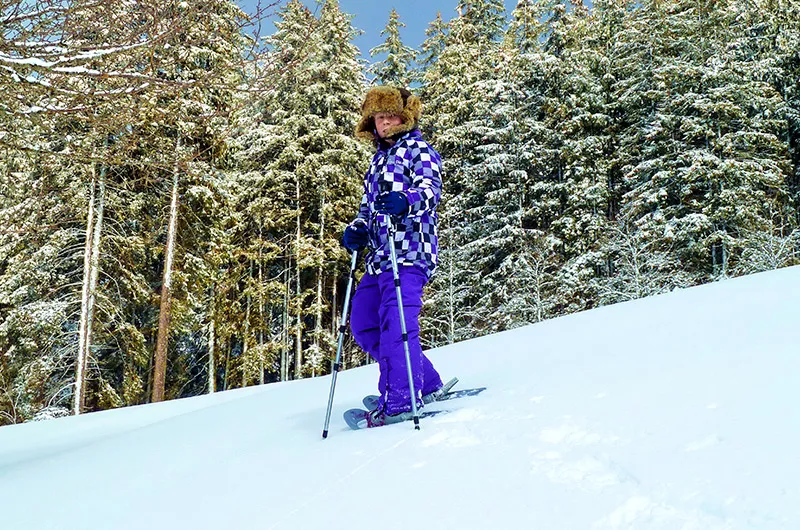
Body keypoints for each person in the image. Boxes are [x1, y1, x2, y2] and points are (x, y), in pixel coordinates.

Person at [342, 86, 451, 427]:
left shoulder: (418, 149)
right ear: (371, 121)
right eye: (379, 116)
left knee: (397, 326)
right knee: (363, 323)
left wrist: (407, 200)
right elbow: (367, 208)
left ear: (405, 118)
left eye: (392, 116)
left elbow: (431, 189)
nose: (385, 122)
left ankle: (402, 400)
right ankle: (426, 382)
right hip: (379, 257)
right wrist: (357, 229)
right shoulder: (377, 161)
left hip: (410, 252)